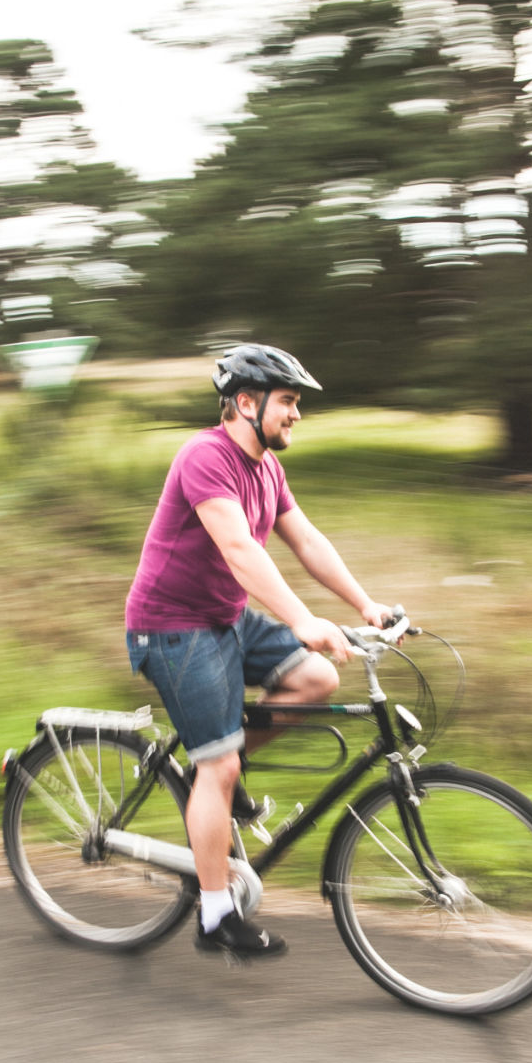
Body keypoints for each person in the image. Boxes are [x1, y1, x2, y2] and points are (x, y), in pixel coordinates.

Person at [125, 345, 395, 958]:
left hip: (223, 619)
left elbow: (306, 540)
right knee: (219, 767)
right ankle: (216, 914)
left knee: (316, 680)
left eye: (297, 404)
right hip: (171, 627)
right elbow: (241, 550)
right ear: (246, 404)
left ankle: (213, 769)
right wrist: (301, 619)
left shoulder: (267, 469)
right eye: (289, 402)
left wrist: (365, 606)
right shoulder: (205, 457)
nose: (296, 415)